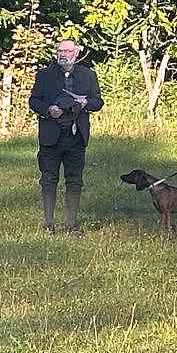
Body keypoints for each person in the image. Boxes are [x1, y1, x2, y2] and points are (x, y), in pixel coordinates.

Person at [29, 39, 103, 234]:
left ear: (76, 54)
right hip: (51, 136)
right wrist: (48, 109)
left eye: (68, 51)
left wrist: (85, 102)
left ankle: (71, 224)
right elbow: (33, 101)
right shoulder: (44, 75)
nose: (63, 54)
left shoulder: (88, 75)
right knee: (48, 179)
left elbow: (98, 102)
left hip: (76, 137)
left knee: (74, 180)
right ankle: (48, 224)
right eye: (60, 51)